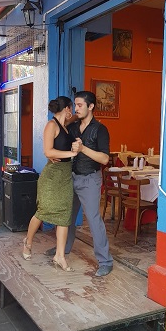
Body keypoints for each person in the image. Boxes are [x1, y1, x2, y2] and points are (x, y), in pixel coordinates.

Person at [46, 91, 113, 277]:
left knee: (93, 220)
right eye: (75, 105)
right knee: (66, 216)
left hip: (89, 179)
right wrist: (53, 156)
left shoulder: (100, 129)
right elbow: (59, 129)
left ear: (91, 106)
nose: (76, 109)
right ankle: (63, 249)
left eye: (80, 105)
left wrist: (83, 148)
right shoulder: (74, 126)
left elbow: (105, 158)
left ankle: (105, 261)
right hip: (71, 176)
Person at [22, 96, 77, 271]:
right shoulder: (51, 125)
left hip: (65, 176)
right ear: (67, 108)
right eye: (72, 108)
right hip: (52, 176)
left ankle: (59, 256)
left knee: (64, 214)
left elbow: (75, 118)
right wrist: (72, 153)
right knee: (43, 211)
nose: (73, 112)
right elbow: (48, 151)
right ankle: (28, 242)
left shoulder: (65, 127)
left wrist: (81, 114)